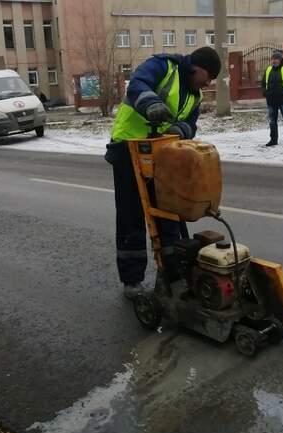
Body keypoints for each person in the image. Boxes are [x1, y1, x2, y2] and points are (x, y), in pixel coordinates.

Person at [105, 47, 220, 299]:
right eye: (208, 75)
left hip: (162, 154)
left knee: (168, 213)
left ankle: (171, 274)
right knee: (131, 216)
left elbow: (190, 123)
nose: (208, 82)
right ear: (196, 66)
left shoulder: (195, 95)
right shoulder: (164, 66)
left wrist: (181, 129)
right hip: (128, 148)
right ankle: (132, 280)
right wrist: (151, 103)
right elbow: (137, 84)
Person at [262, 51, 283, 147]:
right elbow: (263, 84)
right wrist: (265, 92)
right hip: (271, 100)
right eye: (273, 59)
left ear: (280, 60)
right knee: (272, 122)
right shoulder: (268, 70)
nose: (274, 61)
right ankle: (273, 140)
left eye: (276, 59)